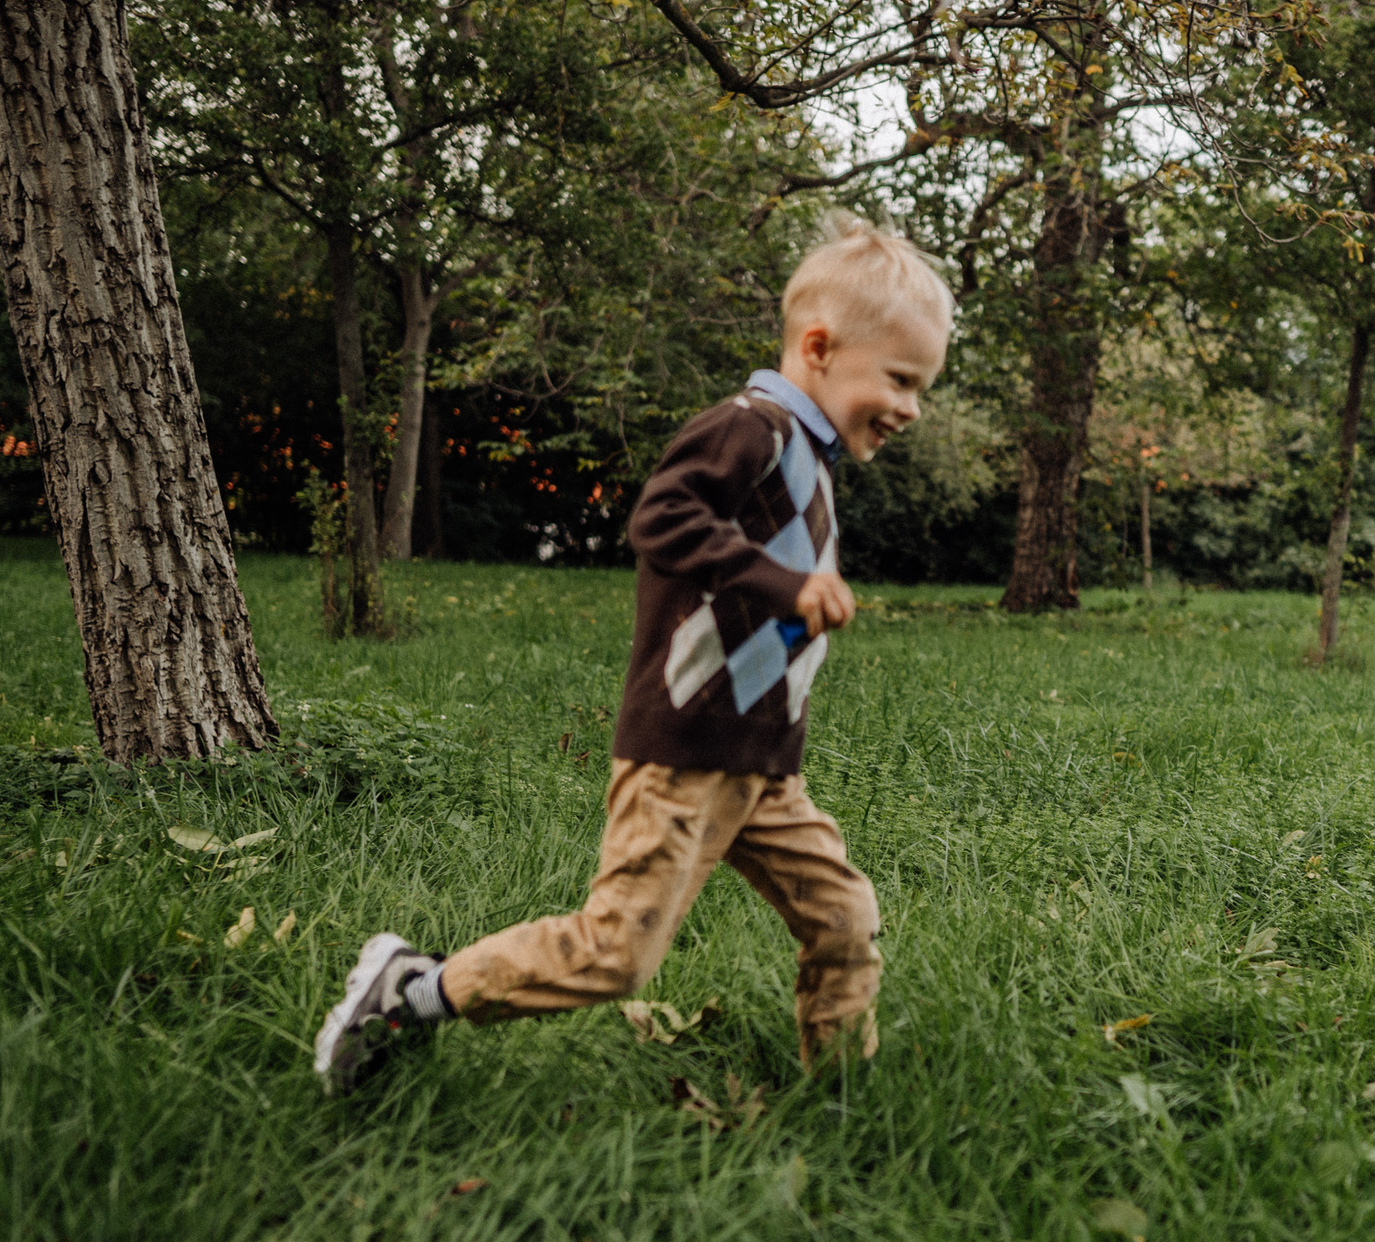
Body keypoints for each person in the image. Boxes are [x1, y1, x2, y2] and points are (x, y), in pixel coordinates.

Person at [314, 215, 953, 1095]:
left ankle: (842, 1097)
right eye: (902, 379)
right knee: (616, 954)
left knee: (844, 914)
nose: (913, 407)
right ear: (818, 346)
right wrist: (783, 584)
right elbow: (660, 520)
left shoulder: (808, 455)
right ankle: (408, 994)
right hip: (682, 755)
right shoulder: (749, 431)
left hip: (761, 769)